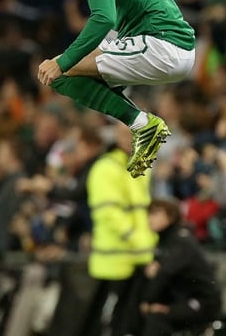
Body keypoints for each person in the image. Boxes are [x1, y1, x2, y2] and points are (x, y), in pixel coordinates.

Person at [36, 0, 196, 178]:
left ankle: (142, 124)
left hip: (163, 44)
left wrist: (63, 61)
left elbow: (103, 19)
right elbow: (113, 26)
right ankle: (141, 124)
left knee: (60, 69)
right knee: (64, 72)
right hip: (164, 46)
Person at [83, 123, 157, 336]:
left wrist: (147, 245)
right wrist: (140, 240)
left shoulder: (139, 166)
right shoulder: (105, 168)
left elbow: (142, 210)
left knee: (128, 324)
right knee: (108, 323)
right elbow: (109, 214)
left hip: (138, 259)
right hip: (113, 263)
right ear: (117, 136)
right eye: (127, 134)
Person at [137, 198, 221, 336]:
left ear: (171, 216)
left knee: (156, 317)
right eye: (148, 214)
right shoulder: (164, 241)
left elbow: (165, 273)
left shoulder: (181, 241)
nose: (150, 218)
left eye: (155, 213)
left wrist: (147, 301)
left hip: (202, 302)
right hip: (180, 300)